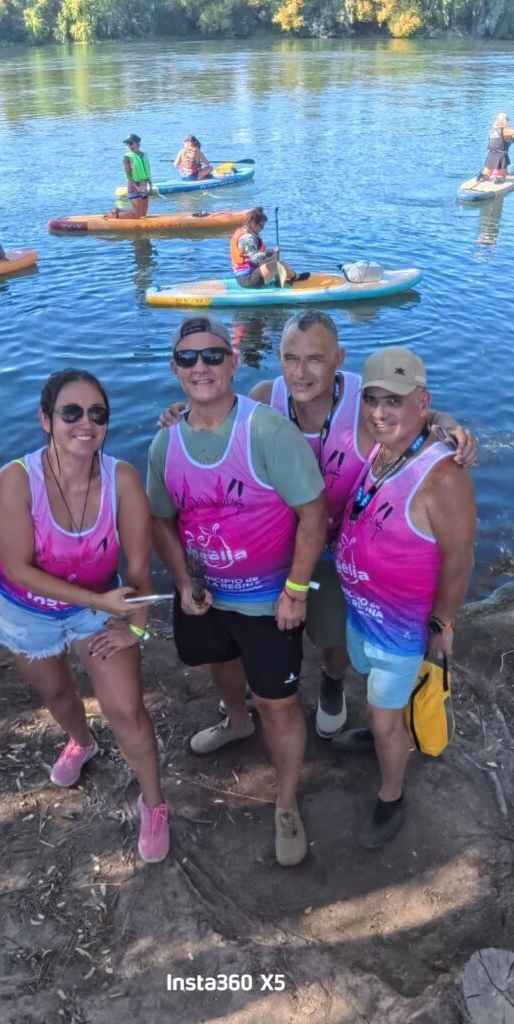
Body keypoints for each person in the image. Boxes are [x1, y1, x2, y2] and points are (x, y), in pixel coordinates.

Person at [158, 311, 476, 744]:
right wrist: (179, 413)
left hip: (334, 550)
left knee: (331, 634)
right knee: (255, 625)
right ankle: (255, 686)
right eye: (291, 358)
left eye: (315, 359)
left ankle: (331, 681)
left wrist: (448, 423)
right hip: (276, 547)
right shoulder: (266, 396)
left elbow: (413, 411)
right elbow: (219, 416)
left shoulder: (363, 403)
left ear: (338, 359)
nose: (300, 372)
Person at [147, 316, 327, 867]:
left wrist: (296, 589)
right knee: (221, 665)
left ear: (231, 362)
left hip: (269, 598)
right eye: (188, 358)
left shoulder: (268, 431)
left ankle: (286, 802)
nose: (200, 366)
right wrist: (182, 581)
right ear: (176, 370)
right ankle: (235, 720)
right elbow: (160, 520)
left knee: (278, 704)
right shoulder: (164, 442)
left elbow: (313, 514)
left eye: (212, 355)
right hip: (206, 596)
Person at [0, 369, 169, 863]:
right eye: (70, 412)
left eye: (97, 414)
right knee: (55, 692)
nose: (85, 424)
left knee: (127, 709)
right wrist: (99, 602)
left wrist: (136, 626)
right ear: (45, 420)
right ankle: (81, 741)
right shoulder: (15, 481)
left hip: (99, 606)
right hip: (29, 609)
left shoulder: (122, 480)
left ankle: (154, 803)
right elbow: (20, 569)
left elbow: (139, 569)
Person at [334, 347, 476, 848]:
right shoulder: (383, 448)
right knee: (373, 692)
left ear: (422, 402)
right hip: (362, 614)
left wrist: (443, 623)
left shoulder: (443, 476)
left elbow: (460, 560)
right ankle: (382, 731)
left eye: (393, 400)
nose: (378, 411)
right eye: (371, 399)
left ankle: (391, 794)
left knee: (385, 716)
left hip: (400, 630)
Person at [230, 207, 310, 289]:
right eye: (261, 226)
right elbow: (254, 258)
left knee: (276, 258)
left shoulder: (245, 231)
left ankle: (293, 277)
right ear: (253, 223)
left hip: (250, 272)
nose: (262, 229)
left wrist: (272, 255)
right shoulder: (248, 238)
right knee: (277, 264)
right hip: (248, 279)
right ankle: (283, 281)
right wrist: (271, 251)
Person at [123, 134, 151, 217]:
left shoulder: (144, 155)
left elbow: (148, 171)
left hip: (144, 185)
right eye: (127, 144)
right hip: (133, 186)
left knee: (143, 214)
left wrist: (150, 185)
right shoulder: (127, 157)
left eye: (131, 143)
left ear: (137, 143)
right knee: (136, 214)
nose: (129, 146)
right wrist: (136, 187)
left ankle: (119, 211)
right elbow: (128, 176)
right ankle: (116, 214)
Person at [481, 113, 514, 182]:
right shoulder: (506, 130)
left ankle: (484, 177)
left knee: (487, 172)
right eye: (507, 121)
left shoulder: (492, 130)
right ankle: (499, 178)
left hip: (491, 155)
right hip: (501, 155)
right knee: (503, 174)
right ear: (504, 121)